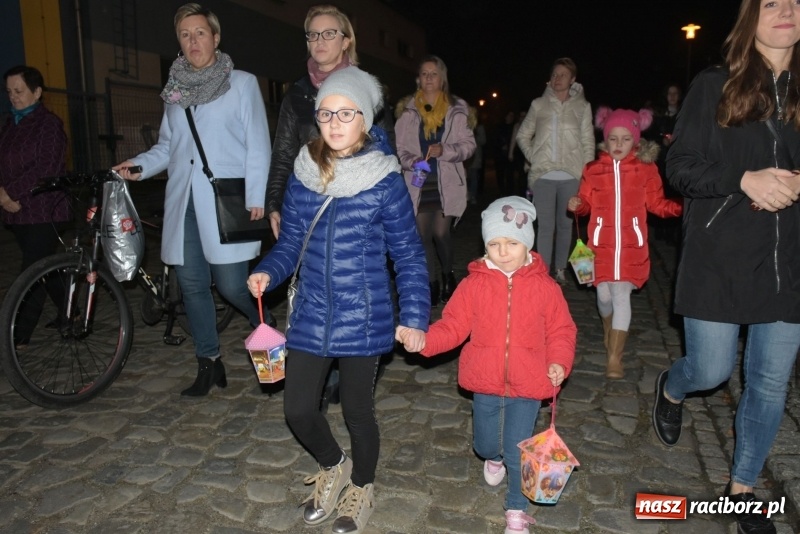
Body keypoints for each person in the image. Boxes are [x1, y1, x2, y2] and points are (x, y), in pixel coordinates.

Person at [247, 66, 429, 534]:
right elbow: (291, 243)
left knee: (356, 412)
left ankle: (362, 487)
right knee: (298, 410)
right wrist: (269, 268)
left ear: (365, 120)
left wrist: (414, 317)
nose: (334, 121)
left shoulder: (385, 180)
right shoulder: (305, 172)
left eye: (345, 113)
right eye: (326, 112)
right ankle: (334, 464)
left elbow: (408, 256)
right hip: (310, 311)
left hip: (365, 316)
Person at [651, 1, 800, 533]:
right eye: (773, 1)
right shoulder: (717, 84)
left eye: (795, 1)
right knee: (711, 371)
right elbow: (680, 167)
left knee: (768, 381)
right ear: (750, 17)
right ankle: (672, 385)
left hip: (789, 264)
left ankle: (742, 490)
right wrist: (745, 179)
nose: (786, 9)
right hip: (721, 255)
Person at [114, 2, 271, 396]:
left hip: (227, 201)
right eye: (185, 35)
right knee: (193, 285)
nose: (192, 40)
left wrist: (257, 195)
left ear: (216, 38)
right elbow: (168, 148)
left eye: (200, 32)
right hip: (184, 201)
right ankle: (209, 362)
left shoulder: (243, 83)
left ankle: (272, 336)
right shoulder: (174, 92)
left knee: (234, 286)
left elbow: (258, 145)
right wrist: (137, 165)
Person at [397, 196, 576, 534]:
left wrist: (558, 362)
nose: (503, 251)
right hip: (484, 379)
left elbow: (562, 330)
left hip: (529, 382)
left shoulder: (545, 287)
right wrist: (424, 340)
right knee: (486, 444)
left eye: (512, 243)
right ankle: (491, 456)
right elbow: (452, 326)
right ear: (485, 246)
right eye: (494, 243)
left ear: (527, 245)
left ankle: (516, 510)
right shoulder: (474, 285)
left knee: (516, 449)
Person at [265, 4, 394, 409]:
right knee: (312, 286)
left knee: (347, 283)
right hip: (305, 200)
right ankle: (315, 374)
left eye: (328, 33)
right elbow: (284, 153)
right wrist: (274, 202)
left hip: (354, 205)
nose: (319, 42)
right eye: (312, 35)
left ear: (346, 39)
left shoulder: (367, 89)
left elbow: (382, 150)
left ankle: (345, 368)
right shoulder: (298, 93)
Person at [567, 107, 682, 379]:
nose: (618, 144)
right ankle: (609, 329)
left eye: (625, 138)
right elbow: (585, 203)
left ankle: (614, 357)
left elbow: (657, 204)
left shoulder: (646, 168)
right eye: (613, 138)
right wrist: (578, 205)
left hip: (632, 247)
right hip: (600, 246)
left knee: (621, 295)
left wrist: (683, 207)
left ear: (636, 141)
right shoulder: (592, 170)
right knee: (604, 295)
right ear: (605, 140)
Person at [394, 55, 476, 306]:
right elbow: (398, 149)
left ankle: (448, 274)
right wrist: (413, 161)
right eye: (425, 73)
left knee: (441, 233)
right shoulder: (407, 110)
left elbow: (468, 146)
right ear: (419, 79)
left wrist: (446, 151)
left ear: (442, 78)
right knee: (422, 235)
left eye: (434, 73)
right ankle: (431, 282)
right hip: (419, 183)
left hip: (447, 182)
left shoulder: (457, 109)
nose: (429, 78)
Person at [0, 65, 69, 347]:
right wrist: (4, 195)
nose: (13, 97)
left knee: (31, 272)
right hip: (16, 212)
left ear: (37, 92)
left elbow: (46, 168)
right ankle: (70, 311)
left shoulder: (49, 125)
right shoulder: (9, 125)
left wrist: (9, 194)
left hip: (45, 209)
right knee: (45, 266)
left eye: (19, 91)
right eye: (9, 92)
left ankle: (17, 333)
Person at [515, 58, 595, 284]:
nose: (558, 78)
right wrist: (535, 157)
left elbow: (588, 141)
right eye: (555, 74)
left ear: (572, 79)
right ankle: (542, 271)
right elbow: (522, 135)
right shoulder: (539, 104)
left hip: (571, 175)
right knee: (545, 226)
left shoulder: (583, 106)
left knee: (565, 224)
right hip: (544, 176)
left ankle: (560, 268)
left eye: (563, 75)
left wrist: (587, 173)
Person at [650, 84, 683, 242]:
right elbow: (650, 136)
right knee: (660, 194)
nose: (672, 96)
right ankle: (659, 230)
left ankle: (672, 233)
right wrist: (661, 140)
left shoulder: (684, 114)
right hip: (660, 161)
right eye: (669, 93)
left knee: (674, 195)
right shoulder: (658, 115)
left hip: (676, 162)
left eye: (675, 93)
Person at [465, 105, 485, 205]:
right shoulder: (461, 125)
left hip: (475, 156)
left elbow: (483, 141)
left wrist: (475, 137)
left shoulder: (479, 127)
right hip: (464, 156)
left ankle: (472, 196)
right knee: (464, 177)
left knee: (473, 177)